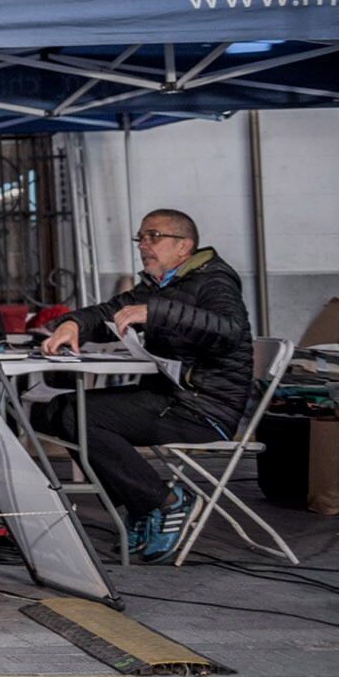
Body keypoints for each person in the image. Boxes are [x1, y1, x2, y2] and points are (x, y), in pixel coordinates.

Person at [37, 208, 253, 562]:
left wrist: (155, 312)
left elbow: (228, 330)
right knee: (53, 411)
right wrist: (74, 323)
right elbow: (110, 311)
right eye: (141, 237)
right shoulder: (159, 284)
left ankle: (166, 502)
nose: (143, 245)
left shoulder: (214, 280)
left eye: (154, 237)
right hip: (169, 396)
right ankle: (143, 505)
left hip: (203, 407)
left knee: (80, 416)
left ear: (184, 245)